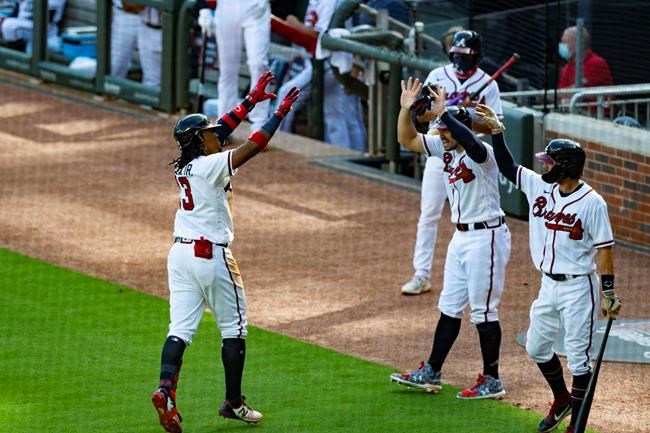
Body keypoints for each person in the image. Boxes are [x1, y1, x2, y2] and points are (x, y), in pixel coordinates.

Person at [151, 70, 300, 433]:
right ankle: (233, 402)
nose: (218, 135)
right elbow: (254, 146)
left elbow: (218, 132)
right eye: (210, 133)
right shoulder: (210, 164)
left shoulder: (186, 165)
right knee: (234, 329)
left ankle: (166, 390)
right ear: (200, 141)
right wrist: (278, 114)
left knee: (180, 329)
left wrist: (250, 101)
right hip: (211, 257)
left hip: (180, 256)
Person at [476, 104, 622, 433]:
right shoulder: (539, 187)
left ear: (567, 166)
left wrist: (609, 291)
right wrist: (497, 132)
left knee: (578, 357)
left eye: (551, 161)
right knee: (537, 347)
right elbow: (507, 166)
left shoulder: (593, 203)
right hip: (547, 286)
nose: (546, 165)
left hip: (578, 288)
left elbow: (606, 249)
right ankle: (562, 400)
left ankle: (577, 427)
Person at [390, 79, 511, 400]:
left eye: (444, 129)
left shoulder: (482, 152)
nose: (439, 133)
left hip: (487, 237)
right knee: (449, 307)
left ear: (458, 129)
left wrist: (446, 115)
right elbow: (406, 139)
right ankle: (432, 371)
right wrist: (405, 109)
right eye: (440, 129)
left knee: (484, 312)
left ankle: (493, 379)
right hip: (460, 238)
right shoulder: (443, 149)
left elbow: (470, 142)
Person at [400, 29, 503, 295]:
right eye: (456, 54)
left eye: (466, 55)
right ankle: (421, 274)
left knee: (473, 217)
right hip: (439, 148)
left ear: (476, 56)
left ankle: (474, 276)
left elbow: (494, 126)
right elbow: (421, 118)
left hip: (472, 157)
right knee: (429, 213)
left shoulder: (488, 84)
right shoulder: (437, 76)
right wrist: (436, 111)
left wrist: (466, 112)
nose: (460, 59)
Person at [274, 0, 367, 152]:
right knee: (338, 114)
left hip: (330, 60)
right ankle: (348, 159)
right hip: (330, 59)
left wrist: (296, 25)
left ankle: (275, 142)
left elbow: (323, 36)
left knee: (286, 94)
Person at [214, 0, 271, 132]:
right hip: (226, 6)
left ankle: (259, 125)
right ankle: (224, 125)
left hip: (256, 4)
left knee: (259, 64)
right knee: (227, 70)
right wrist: (203, 8)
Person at [111, 1, 163, 87]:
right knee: (117, 64)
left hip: (163, 27)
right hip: (131, 17)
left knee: (157, 79)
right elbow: (128, 4)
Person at [0, 0, 65, 50]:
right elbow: (16, 11)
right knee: (5, 22)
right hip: (23, 23)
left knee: (9, 25)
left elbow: (46, 18)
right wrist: (5, 19)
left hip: (44, 28)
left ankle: (15, 57)